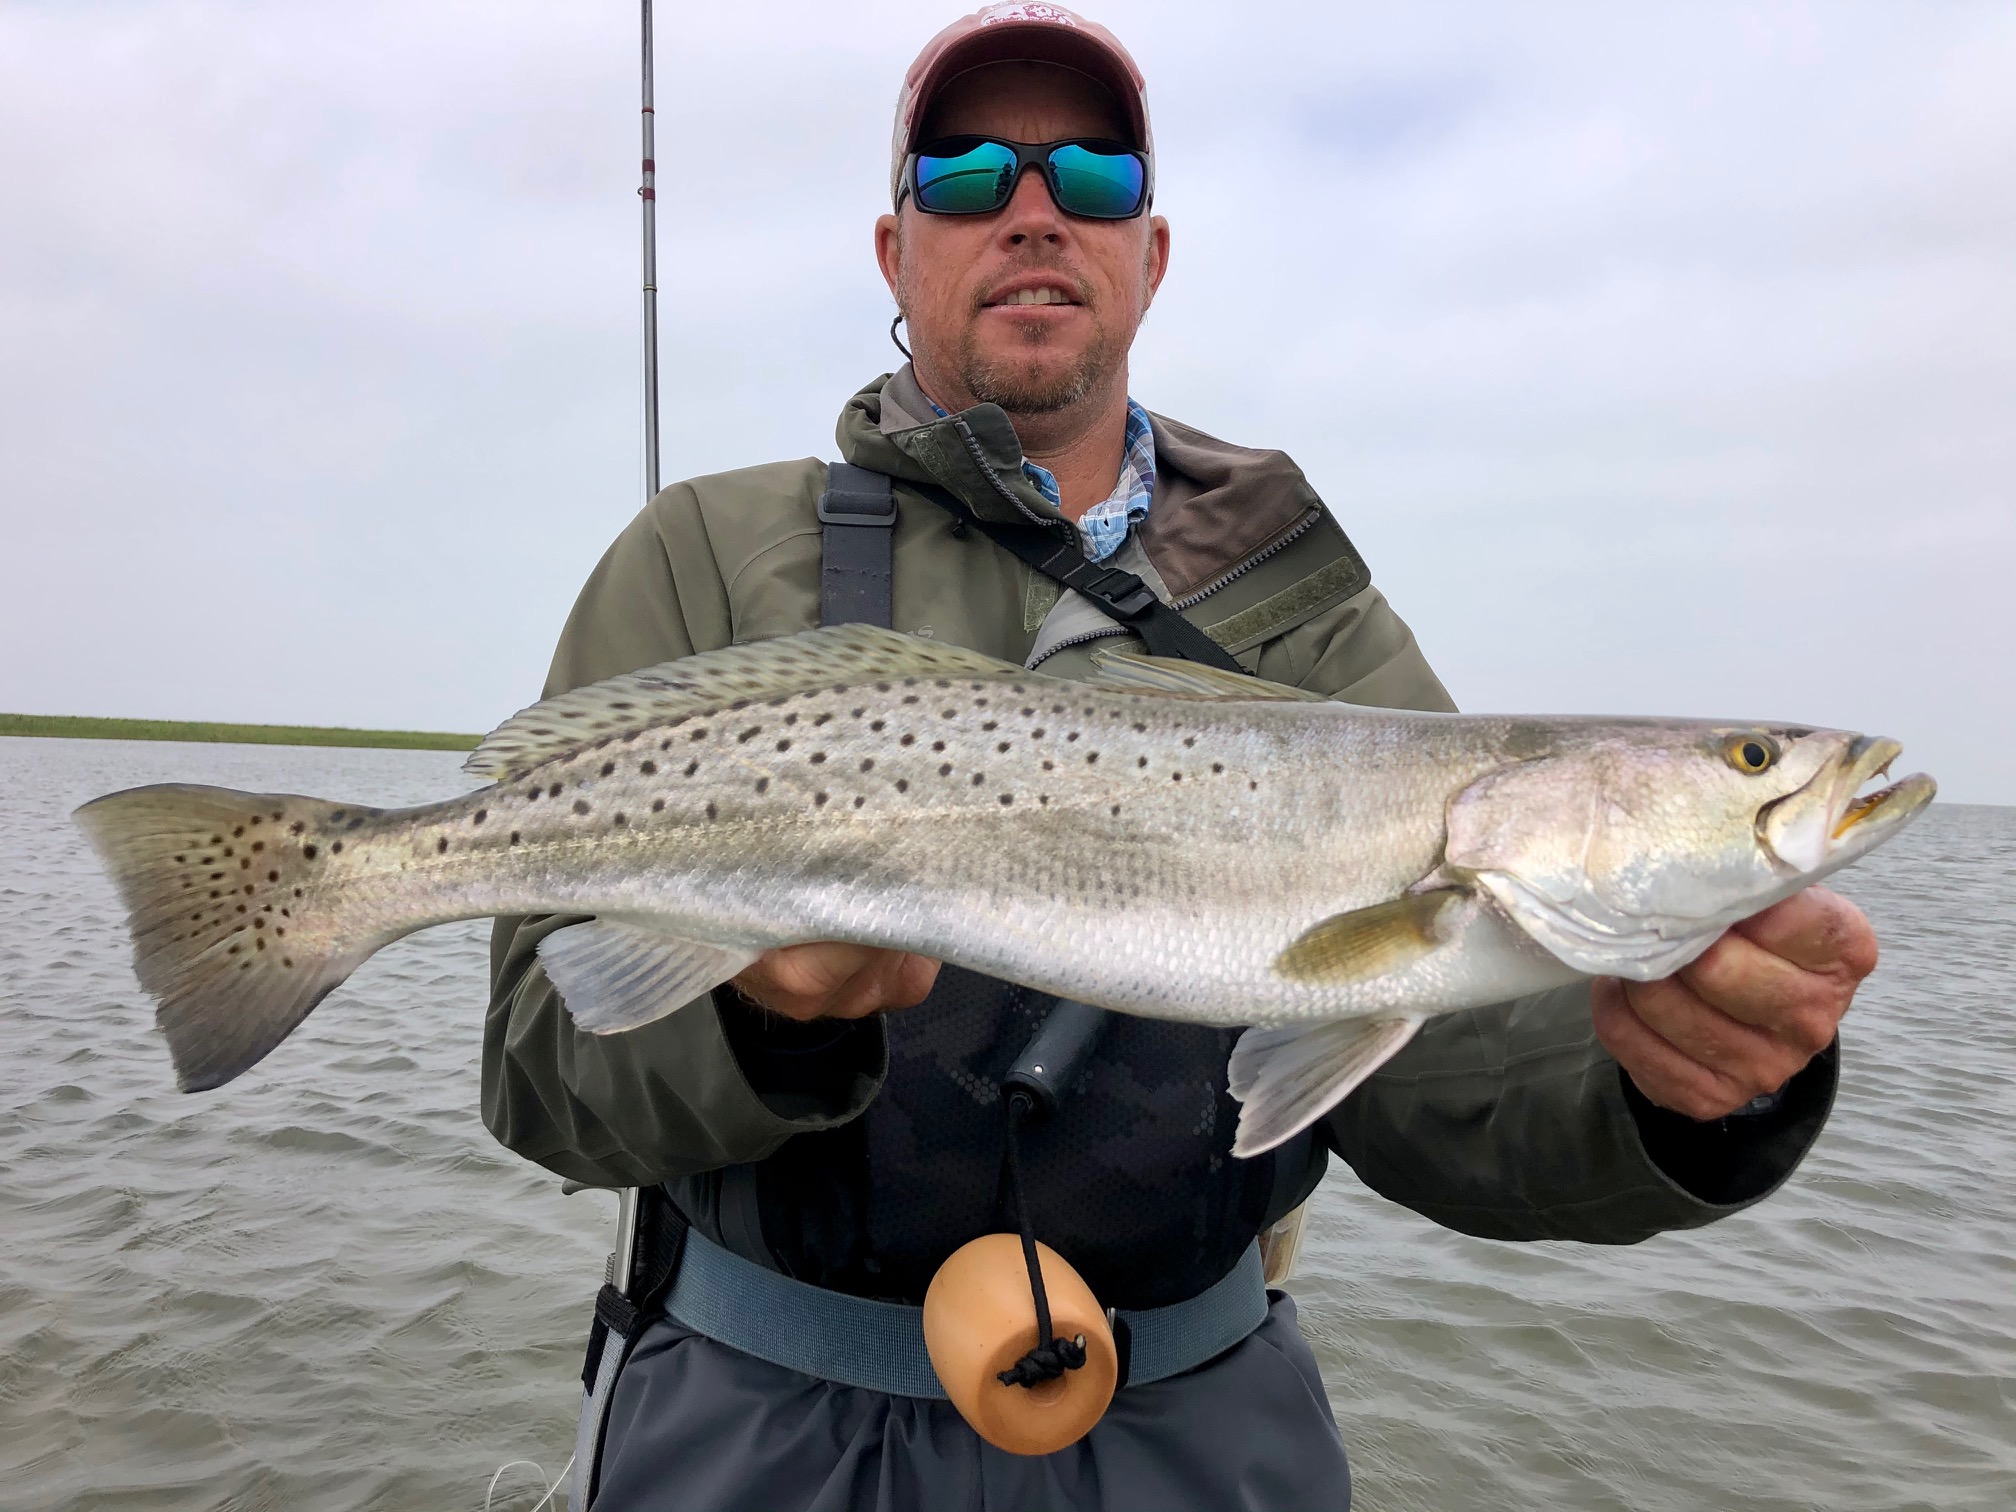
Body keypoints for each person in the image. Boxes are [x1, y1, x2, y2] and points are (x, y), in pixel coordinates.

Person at [484, 7, 1875, 1508]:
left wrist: (1694, 1098)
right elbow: (541, 1076)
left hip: (1195, 1436)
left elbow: (1443, 1093)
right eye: (965, 177)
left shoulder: (1309, 611)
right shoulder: (705, 554)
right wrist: (771, 1023)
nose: (1032, 210)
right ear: (896, 251)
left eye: (1090, 177)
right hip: (760, 1425)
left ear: (1150, 253)